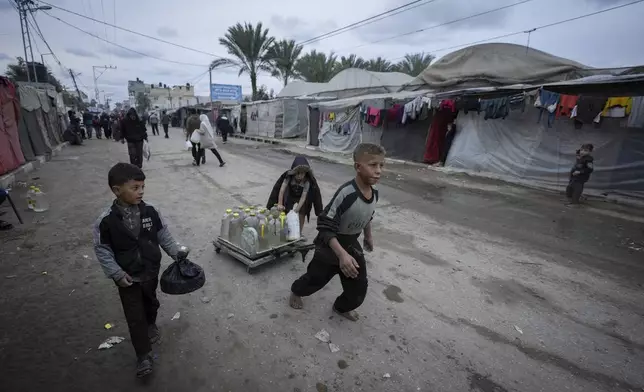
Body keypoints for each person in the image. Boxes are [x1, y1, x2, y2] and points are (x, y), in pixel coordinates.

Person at [93, 163, 182, 378]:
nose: (141, 191)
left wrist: (177, 252)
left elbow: (164, 236)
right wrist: (116, 273)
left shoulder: (151, 211)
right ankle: (143, 356)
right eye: (135, 187)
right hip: (127, 277)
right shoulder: (105, 221)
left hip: (151, 271)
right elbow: (103, 250)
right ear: (117, 190)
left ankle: (151, 323)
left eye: (142, 187)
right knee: (134, 316)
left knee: (150, 303)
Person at [289, 143, 385, 322]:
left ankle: (342, 307)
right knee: (315, 279)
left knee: (358, 287)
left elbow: (368, 215)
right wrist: (341, 255)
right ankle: (296, 292)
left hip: (351, 244)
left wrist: (368, 236)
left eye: (381, 165)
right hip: (329, 246)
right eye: (373, 165)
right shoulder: (346, 194)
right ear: (358, 166)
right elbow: (325, 226)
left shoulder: (375, 193)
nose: (379, 170)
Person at [267, 156, 322, 235]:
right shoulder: (289, 177)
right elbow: (281, 190)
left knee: (302, 212)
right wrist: (279, 203)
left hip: (301, 198)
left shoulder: (307, 181)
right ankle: (286, 230)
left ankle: (298, 233)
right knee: (286, 210)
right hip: (291, 195)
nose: (299, 176)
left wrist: (296, 210)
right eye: (297, 173)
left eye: (302, 173)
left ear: (306, 173)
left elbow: (303, 197)